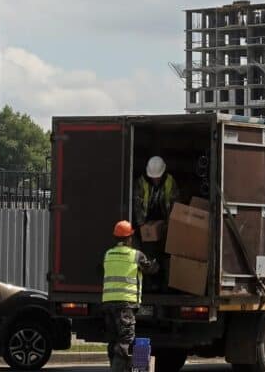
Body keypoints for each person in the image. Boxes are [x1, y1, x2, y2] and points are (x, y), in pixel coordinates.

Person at [103, 221, 158, 372]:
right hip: (125, 304)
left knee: (113, 340)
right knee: (126, 339)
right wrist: (156, 263)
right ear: (129, 238)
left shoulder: (108, 254)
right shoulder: (136, 255)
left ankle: (116, 367)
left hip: (108, 303)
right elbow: (150, 269)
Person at [133, 156, 180, 225]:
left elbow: (176, 204)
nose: (156, 180)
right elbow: (137, 206)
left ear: (163, 172)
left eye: (158, 177)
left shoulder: (170, 181)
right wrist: (142, 225)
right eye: (153, 177)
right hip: (145, 221)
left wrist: (171, 224)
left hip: (164, 220)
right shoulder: (141, 182)